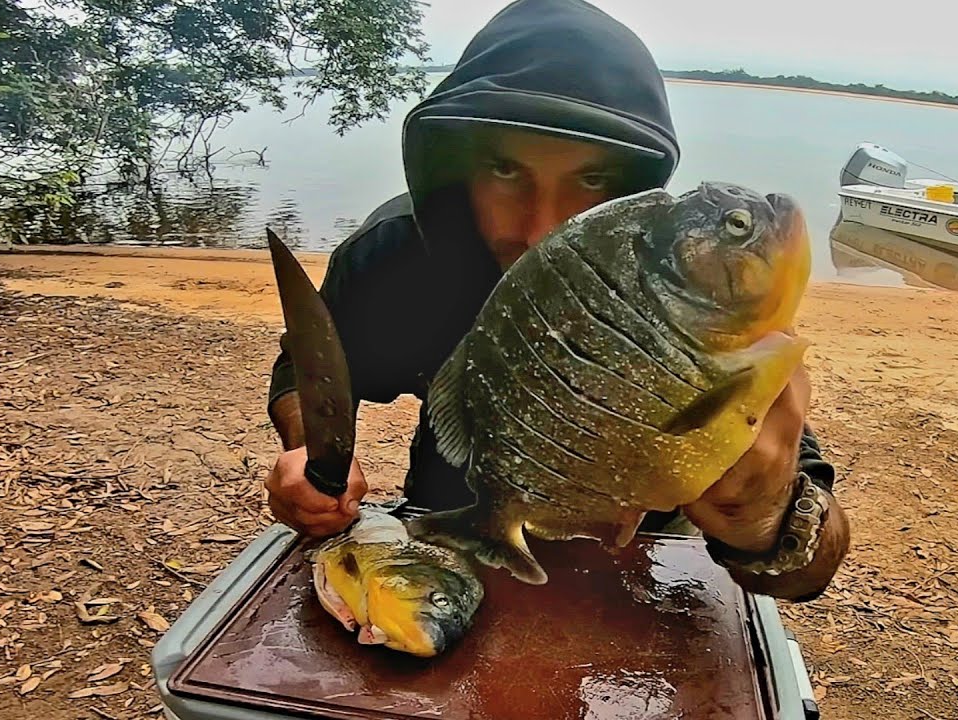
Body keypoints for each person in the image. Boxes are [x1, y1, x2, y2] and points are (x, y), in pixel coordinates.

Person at [263, 0, 849, 601]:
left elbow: (810, 572)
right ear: (458, 165)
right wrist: (310, 450)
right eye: (506, 171)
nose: (541, 228)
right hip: (446, 537)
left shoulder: (690, 299)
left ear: (634, 191)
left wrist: (764, 518)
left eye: (591, 180)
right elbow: (308, 370)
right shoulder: (392, 257)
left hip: (645, 567)